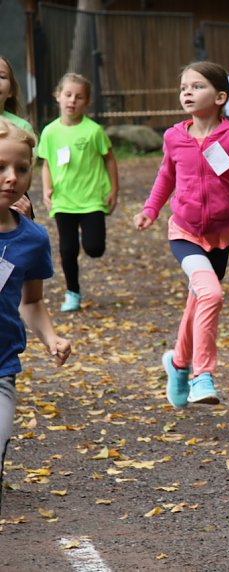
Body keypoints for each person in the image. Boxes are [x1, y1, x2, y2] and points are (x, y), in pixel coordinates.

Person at [133, 61, 229, 408]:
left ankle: (176, 363)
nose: (187, 92)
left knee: (199, 300)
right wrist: (150, 210)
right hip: (184, 232)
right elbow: (165, 177)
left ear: (220, 97)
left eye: (196, 86)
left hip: (220, 237)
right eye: (183, 87)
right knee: (211, 293)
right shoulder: (174, 136)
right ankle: (201, 375)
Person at [0, 118, 72, 514]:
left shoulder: (32, 238)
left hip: (1, 363)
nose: (11, 178)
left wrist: (51, 338)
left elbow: (31, 302)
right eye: (0, 168)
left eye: (21, 169)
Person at [38, 73, 119, 312]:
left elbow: (110, 159)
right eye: (68, 94)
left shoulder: (94, 131)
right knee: (67, 249)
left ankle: (89, 233)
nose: (72, 100)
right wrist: (46, 189)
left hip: (92, 199)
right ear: (58, 96)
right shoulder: (50, 132)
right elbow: (46, 163)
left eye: (79, 96)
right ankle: (72, 292)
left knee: (95, 249)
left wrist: (114, 190)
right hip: (63, 200)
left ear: (87, 102)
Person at [0, 55, 36, 219]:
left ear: (11, 91)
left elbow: (26, 170)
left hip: (12, 194)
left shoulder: (22, 127)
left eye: (1, 76)